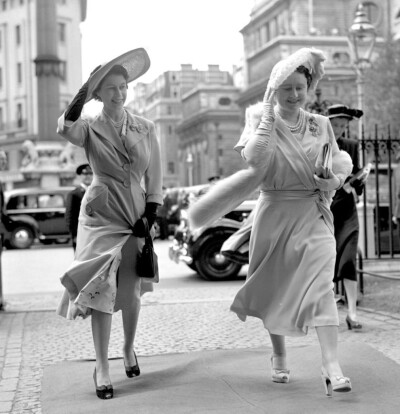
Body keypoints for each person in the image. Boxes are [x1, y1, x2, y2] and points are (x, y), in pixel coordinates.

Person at [189, 48, 353, 396]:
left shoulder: (320, 123)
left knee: (323, 285)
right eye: (286, 89)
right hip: (274, 214)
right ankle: (279, 353)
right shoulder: (259, 120)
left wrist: (332, 182)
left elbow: (338, 164)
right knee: (274, 288)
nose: (294, 95)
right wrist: (266, 114)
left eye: (300, 87)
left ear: (309, 87)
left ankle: (331, 365)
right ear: (273, 92)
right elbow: (253, 157)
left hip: (312, 213)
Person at [56, 48, 163, 400]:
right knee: (100, 288)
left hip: (134, 214)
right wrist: (82, 92)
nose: (119, 93)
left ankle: (128, 348)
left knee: (130, 289)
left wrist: (149, 215)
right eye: (111, 88)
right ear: (99, 94)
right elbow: (65, 127)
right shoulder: (88, 128)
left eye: (124, 86)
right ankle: (102, 365)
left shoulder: (146, 128)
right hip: (100, 215)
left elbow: (155, 179)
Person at [327, 104, 368, 331]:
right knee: (327, 261)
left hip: (348, 212)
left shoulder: (352, 146)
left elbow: (357, 174)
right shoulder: (319, 147)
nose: (340, 129)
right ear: (328, 124)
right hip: (325, 211)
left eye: (343, 126)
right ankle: (327, 311)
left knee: (349, 259)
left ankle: (352, 313)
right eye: (336, 125)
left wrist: (359, 182)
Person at [65, 163, 93, 250]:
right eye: (85, 174)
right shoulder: (73, 194)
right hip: (81, 234)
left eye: (90, 173)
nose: (88, 176)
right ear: (80, 176)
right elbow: (70, 217)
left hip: (95, 234)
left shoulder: (98, 192)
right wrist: (74, 235)